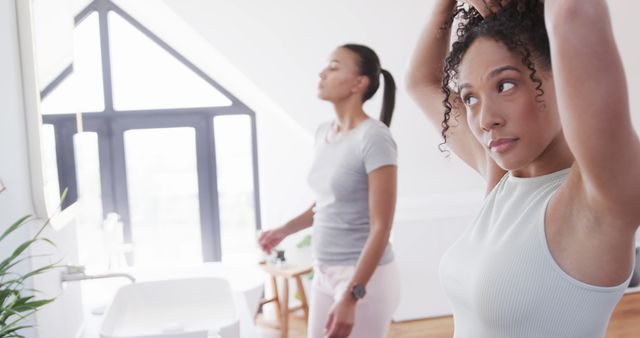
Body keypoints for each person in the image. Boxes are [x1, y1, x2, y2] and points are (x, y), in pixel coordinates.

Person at [406, 0, 640, 337]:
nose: (486, 120)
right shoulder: (502, 177)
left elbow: (574, 12)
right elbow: (422, 82)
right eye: (471, 97)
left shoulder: (599, 198)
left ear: (562, 76)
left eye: (505, 85)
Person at [259, 43, 401, 338]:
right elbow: (325, 204)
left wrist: (351, 295)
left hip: (363, 279)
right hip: (323, 271)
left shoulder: (374, 137)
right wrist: (283, 230)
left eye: (334, 67)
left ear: (359, 83)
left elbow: (381, 227)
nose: (322, 73)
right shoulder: (324, 132)